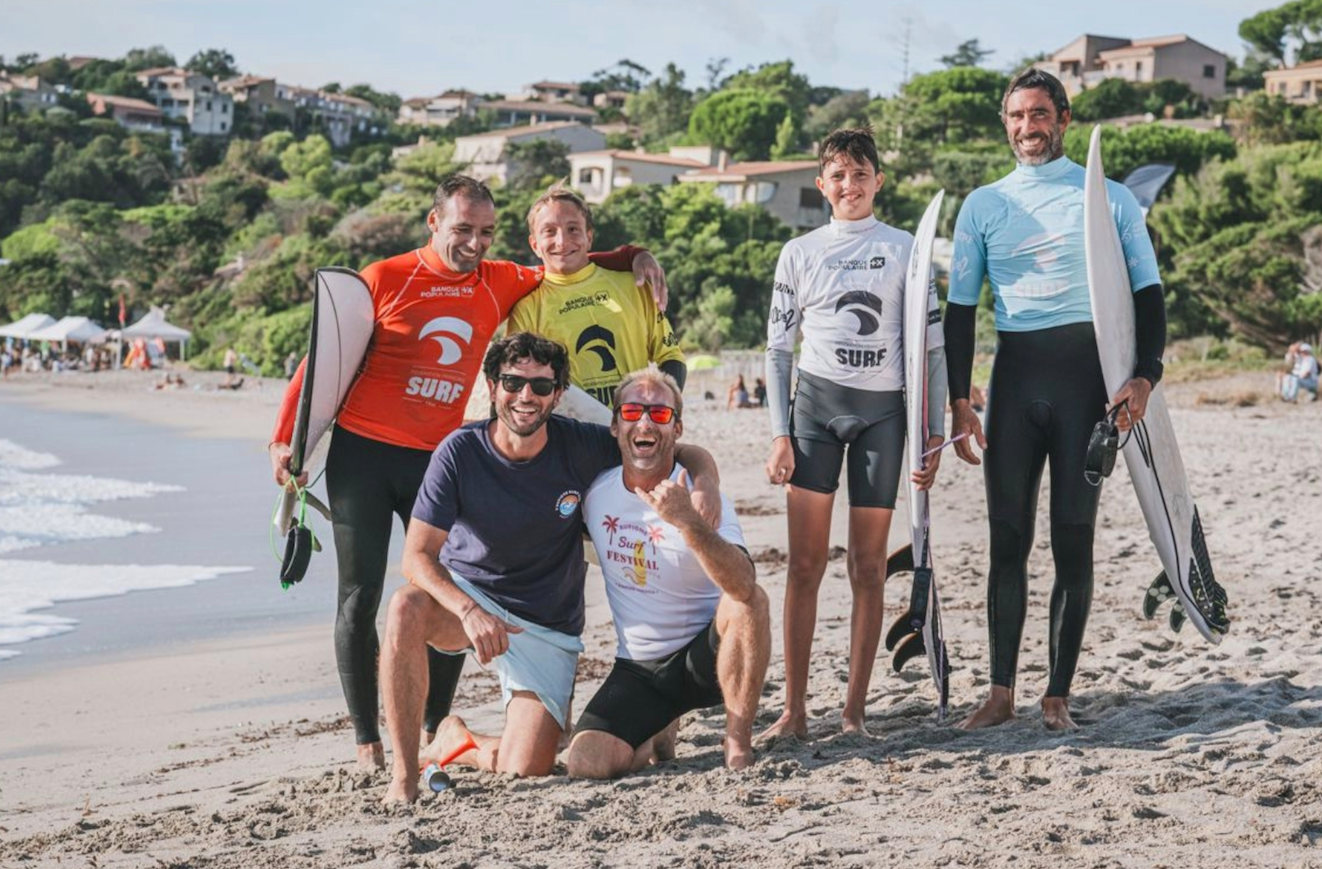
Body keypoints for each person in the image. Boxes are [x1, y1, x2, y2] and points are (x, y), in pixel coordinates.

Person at [268, 175, 669, 770]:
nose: (475, 244)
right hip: (364, 452)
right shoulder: (385, 278)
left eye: (485, 233)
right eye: (462, 230)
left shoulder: (498, 279)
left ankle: (437, 725)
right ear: (434, 223)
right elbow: (321, 357)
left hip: (438, 456)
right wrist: (287, 438)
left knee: (456, 581)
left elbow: (563, 258)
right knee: (360, 595)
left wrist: (634, 255)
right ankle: (368, 745)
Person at [379, 334, 719, 802]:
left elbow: (676, 449)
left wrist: (708, 482)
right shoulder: (459, 452)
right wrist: (469, 610)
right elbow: (416, 557)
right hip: (470, 601)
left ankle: (460, 742)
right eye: (513, 382)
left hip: (544, 623)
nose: (526, 397)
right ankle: (404, 773)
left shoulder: (581, 444)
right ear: (493, 387)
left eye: (541, 387)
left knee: (526, 769)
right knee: (404, 608)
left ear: (559, 395)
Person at [945, 69, 1166, 731]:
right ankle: (1000, 689)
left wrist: (1146, 376)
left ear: (1063, 119)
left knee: (1074, 538)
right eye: (1015, 116)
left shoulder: (1109, 200)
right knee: (1006, 540)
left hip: (1086, 389)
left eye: (1039, 114)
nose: (1026, 126)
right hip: (1015, 383)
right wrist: (959, 400)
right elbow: (960, 312)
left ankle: (1057, 695)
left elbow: (1149, 294)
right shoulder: (982, 206)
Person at [760, 126, 947, 740]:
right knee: (805, 566)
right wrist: (779, 432)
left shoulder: (907, 251)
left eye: (860, 174)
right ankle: (793, 711)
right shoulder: (800, 252)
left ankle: (854, 713)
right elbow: (778, 349)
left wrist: (933, 432)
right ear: (822, 186)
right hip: (814, 412)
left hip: (884, 419)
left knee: (868, 568)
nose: (850, 185)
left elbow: (934, 348)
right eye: (838, 175)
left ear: (877, 182)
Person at [567, 366, 771, 777]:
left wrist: (689, 522)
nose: (644, 422)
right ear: (614, 426)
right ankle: (655, 729)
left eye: (659, 415)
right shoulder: (595, 493)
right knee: (585, 763)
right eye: (632, 412)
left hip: (709, 658)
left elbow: (743, 584)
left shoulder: (699, 495)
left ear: (677, 429)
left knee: (750, 601)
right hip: (640, 669)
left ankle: (737, 740)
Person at [508, 184, 686, 408]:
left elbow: (671, 356)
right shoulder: (527, 307)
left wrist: (659, 409)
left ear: (589, 237)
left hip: (632, 426)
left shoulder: (635, 285)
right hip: (571, 432)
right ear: (534, 244)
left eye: (573, 229)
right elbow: (517, 381)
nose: (562, 241)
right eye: (549, 231)